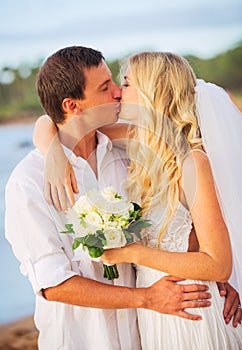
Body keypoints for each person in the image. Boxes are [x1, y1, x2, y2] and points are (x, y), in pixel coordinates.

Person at [4, 47, 213, 350]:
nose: (117, 92)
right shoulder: (28, 183)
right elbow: (53, 284)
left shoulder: (129, 154)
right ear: (73, 105)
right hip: (84, 340)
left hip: (146, 334)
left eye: (115, 82)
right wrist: (146, 298)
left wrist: (223, 280)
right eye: (105, 87)